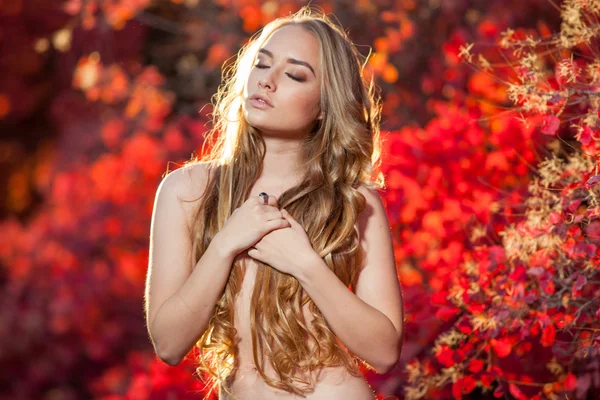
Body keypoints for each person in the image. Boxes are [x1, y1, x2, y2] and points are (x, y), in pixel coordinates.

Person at [144, 6, 404, 400]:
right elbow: (168, 343)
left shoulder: (354, 201)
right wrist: (226, 243)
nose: (267, 81)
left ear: (323, 106)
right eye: (262, 65)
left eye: (295, 74)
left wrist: (304, 262)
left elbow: (384, 352)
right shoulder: (186, 190)